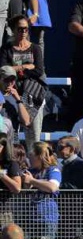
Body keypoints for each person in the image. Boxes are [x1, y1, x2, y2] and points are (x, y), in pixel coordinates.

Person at [1, 15, 46, 148]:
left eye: (26, 29)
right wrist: (25, 67)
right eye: (20, 29)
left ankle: (34, 165)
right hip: (11, 96)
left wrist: (14, 71)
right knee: (11, 134)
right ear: (13, 30)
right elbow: (3, 70)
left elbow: (38, 71)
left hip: (33, 95)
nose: (23, 32)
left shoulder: (35, 48)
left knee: (34, 137)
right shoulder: (6, 49)